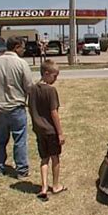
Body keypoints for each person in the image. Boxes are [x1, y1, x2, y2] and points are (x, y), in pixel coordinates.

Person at [0, 36, 33, 178]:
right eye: (23, 47)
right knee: (19, 140)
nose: (24, 50)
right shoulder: (21, 64)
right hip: (16, 107)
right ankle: (21, 170)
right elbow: (29, 86)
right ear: (17, 47)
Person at [28, 59, 66, 201]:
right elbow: (54, 112)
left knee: (44, 159)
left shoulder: (32, 89)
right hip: (51, 131)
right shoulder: (51, 91)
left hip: (39, 131)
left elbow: (30, 109)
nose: (56, 79)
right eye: (54, 76)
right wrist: (60, 133)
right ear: (46, 73)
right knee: (55, 158)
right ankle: (55, 185)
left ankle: (43, 187)